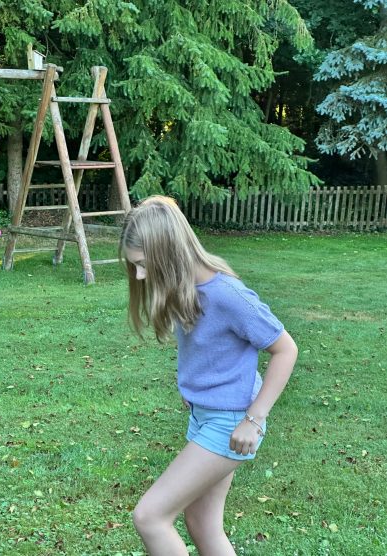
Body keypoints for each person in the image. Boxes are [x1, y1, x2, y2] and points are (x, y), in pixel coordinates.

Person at [119, 195, 298, 556]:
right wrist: (197, 388)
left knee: (150, 517)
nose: (139, 275)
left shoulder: (228, 295)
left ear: (168, 253)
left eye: (142, 264)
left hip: (232, 422)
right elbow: (212, 350)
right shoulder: (188, 289)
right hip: (205, 416)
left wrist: (254, 419)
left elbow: (286, 349)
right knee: (202, 524)